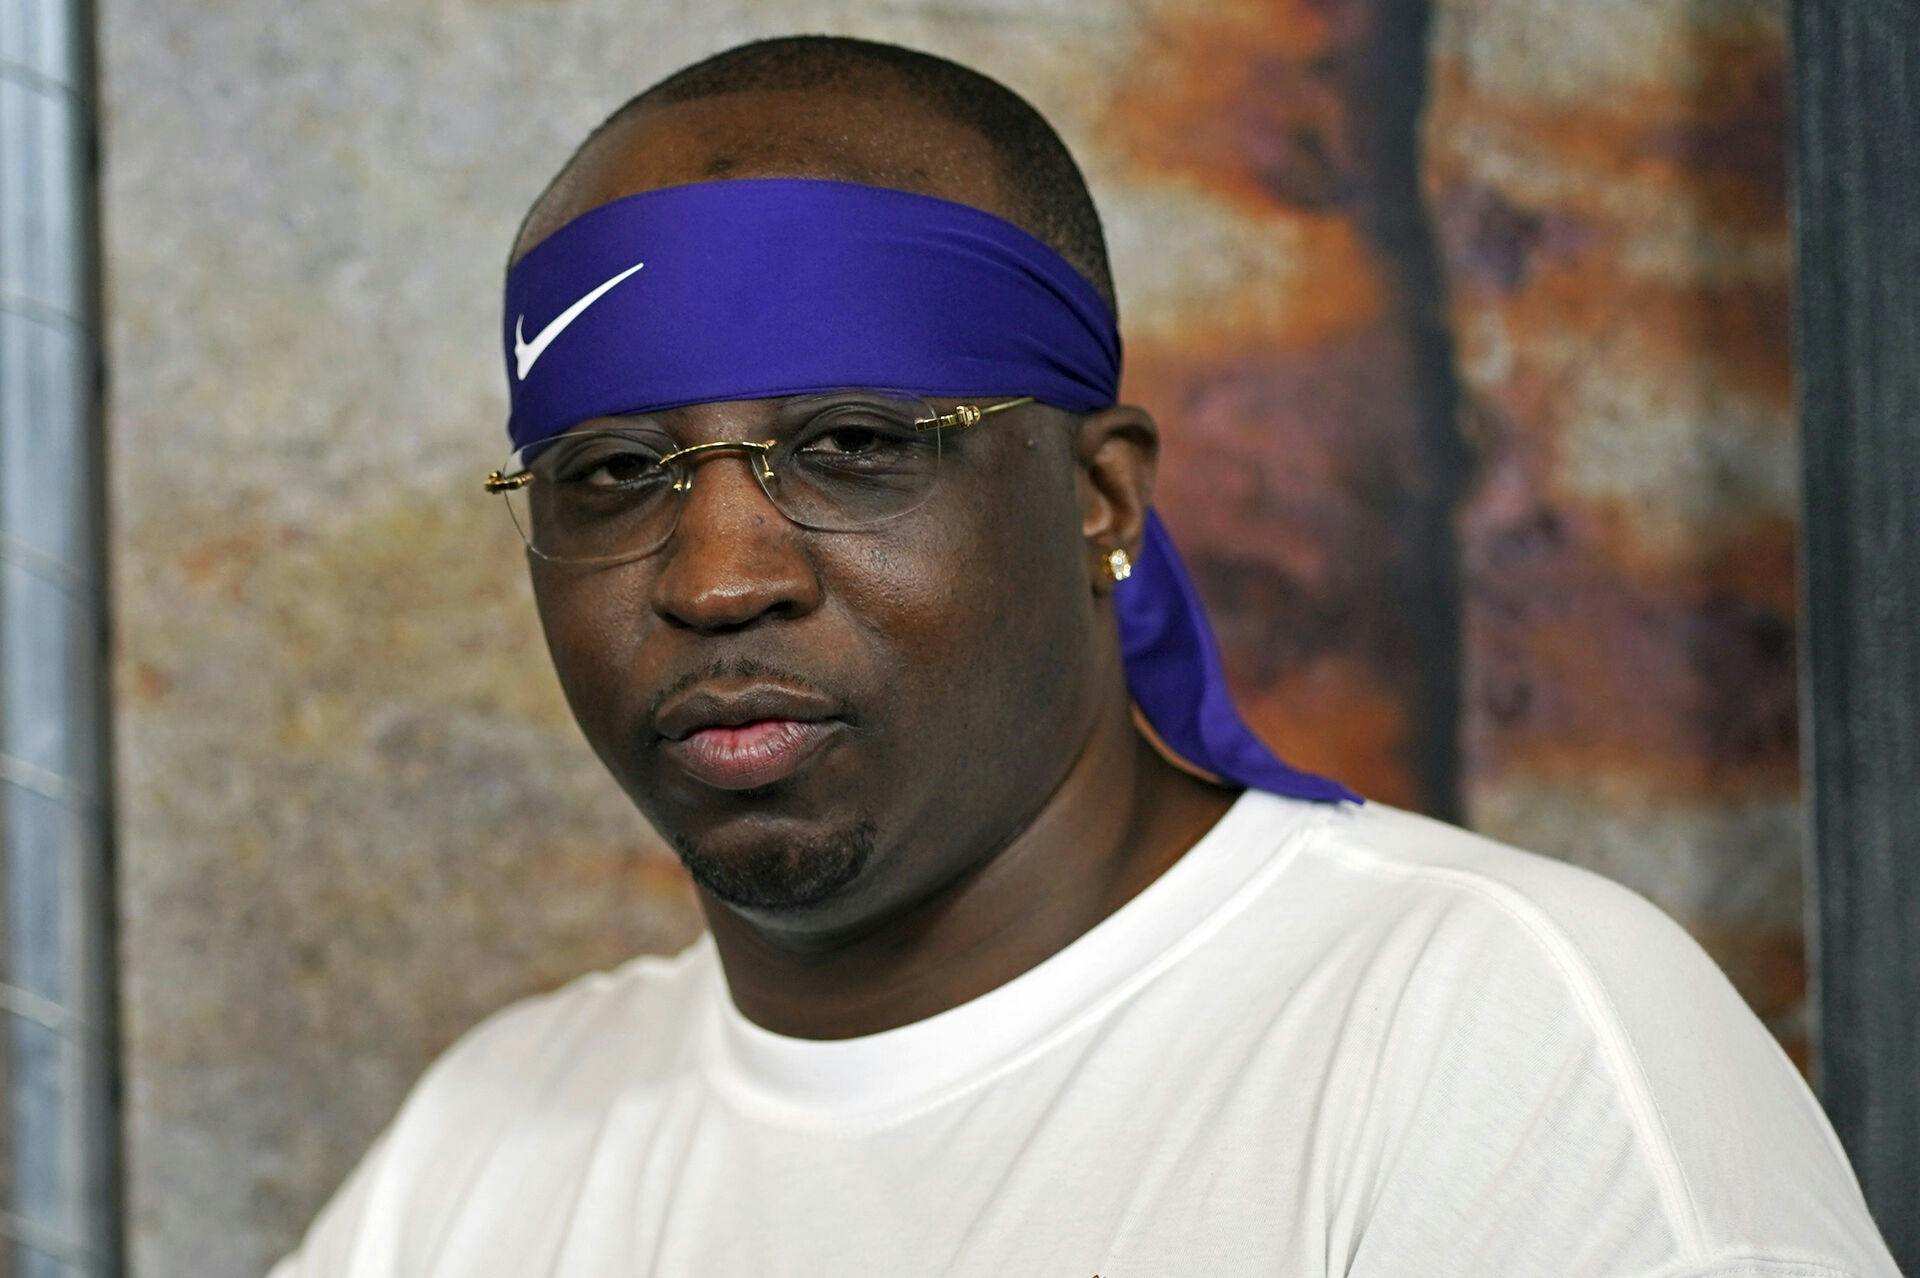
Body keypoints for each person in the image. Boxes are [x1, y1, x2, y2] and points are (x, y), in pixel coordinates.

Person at [271, 35, 1899, 1277]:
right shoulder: (487, 1163)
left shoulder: (1486, 1038)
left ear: (1096, 495)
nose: (717, 575)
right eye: (614, 475)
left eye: (849, 443)